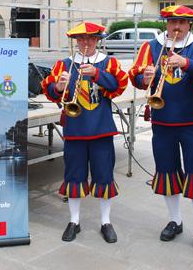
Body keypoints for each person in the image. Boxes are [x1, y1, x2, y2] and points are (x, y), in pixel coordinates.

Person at [128, 5, 193, 254]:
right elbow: (134, 76)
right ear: (166, 24)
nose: (176, 27)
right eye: (171, 22)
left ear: (190, 24)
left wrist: (188, 63)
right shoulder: (151, 46)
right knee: (167, 173)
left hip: (191, 123)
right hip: (162, 123)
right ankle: (176, 220)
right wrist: (144, 78)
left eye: (181, 22)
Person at [41, 22, 128, 243]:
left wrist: (98, 74)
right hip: (75, 131)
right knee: (74, 177)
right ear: (76, 41)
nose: (86, 43)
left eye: (90, 38)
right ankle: (74, 221)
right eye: (81, 39)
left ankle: (106, 222)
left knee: (104, 177)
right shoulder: (65, 64)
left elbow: (119, 86)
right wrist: (59, 87)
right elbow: (49, 90)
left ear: (98, 40)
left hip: (101, 131)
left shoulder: (109, 62)